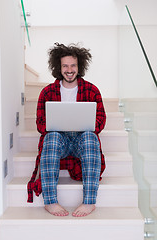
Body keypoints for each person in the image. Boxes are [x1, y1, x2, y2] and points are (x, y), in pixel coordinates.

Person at [27, 43, 106, 217]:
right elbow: (40, 124)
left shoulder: (92, 90)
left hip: (81, 142)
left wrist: (85, 126)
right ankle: (51, 202)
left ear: (79, 67)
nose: (69, 70)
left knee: (90, 138)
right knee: (51, 137)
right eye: (65, 66)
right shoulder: (47, 92)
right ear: (59, 67)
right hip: (59, 142)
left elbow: (100, 121)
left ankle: (89, 202)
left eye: (73, 65)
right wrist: (56, 125)